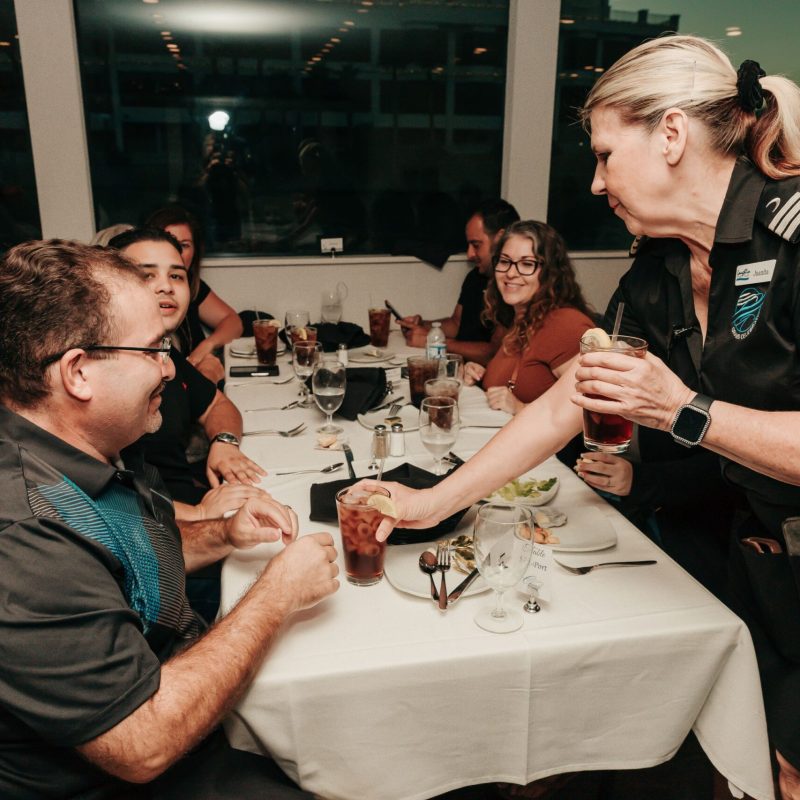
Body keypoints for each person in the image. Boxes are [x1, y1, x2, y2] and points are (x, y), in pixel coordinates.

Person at [364, 35, 800, 798]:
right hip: (765, 553)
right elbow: (573, 398)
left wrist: (684, 412)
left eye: (604, 154)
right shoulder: (660, 268)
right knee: (766, 758)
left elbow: (681, 411)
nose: (596, 184)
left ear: (670, 134)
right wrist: (435, 500)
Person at [0, 239, 339, 799]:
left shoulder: (94, 444)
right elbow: (143, 744)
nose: (167, 367)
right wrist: (276, 593)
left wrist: (222, 535)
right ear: (78, 373)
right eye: (153, 349)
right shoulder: (25, 533)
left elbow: (120, 564)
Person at [109, 227, 265, 621]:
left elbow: (218, 404)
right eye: (147, 275)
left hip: (193, 520)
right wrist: (195, 515)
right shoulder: (108, 373)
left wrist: (224, 441)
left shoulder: (167, 356)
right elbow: (103, 492)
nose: (165, 287)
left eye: (176, 276)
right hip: (160, 555)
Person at [462, 220, 594, 415]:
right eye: (505, 261)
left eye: (527, 264)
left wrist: (520, 408)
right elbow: (523, 379)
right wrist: (480, 374)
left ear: (551, 273)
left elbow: (590, 413)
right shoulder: (522, 319)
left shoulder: (566, 325)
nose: (511, 273)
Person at [399, 199, 520, 365]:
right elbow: (456, 323)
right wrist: (425, 325)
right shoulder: (475, 277)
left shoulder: (513, 287)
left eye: (476, 245)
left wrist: (434, 341)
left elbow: (495, 352)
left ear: (500, 239)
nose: (469, 254)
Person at [145, 205, 243, 383]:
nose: (178, 253)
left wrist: (204, 348)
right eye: (170, 243)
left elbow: (233, 321)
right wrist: (208, 376)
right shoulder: (142, 294)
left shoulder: (192, 285)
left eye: (184, 245)